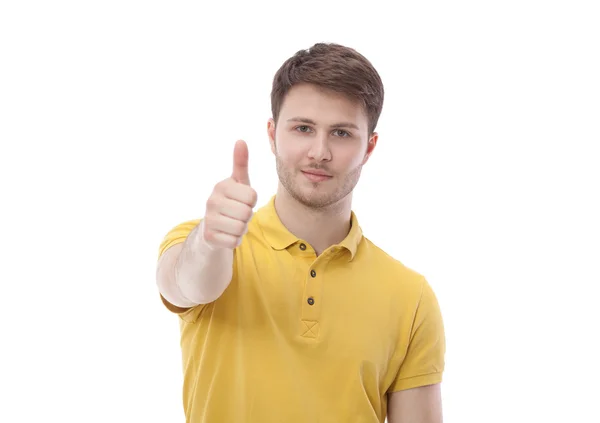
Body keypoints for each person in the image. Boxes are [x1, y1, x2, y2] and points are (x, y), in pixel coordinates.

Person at [155, 42, 446, 423]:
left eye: (341, 133)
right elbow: (189, 284)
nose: (319, 152)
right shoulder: (203, 244)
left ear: (369, 147)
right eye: (303, 128)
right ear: (273, 134)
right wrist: (211, 242)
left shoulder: (411, 297)